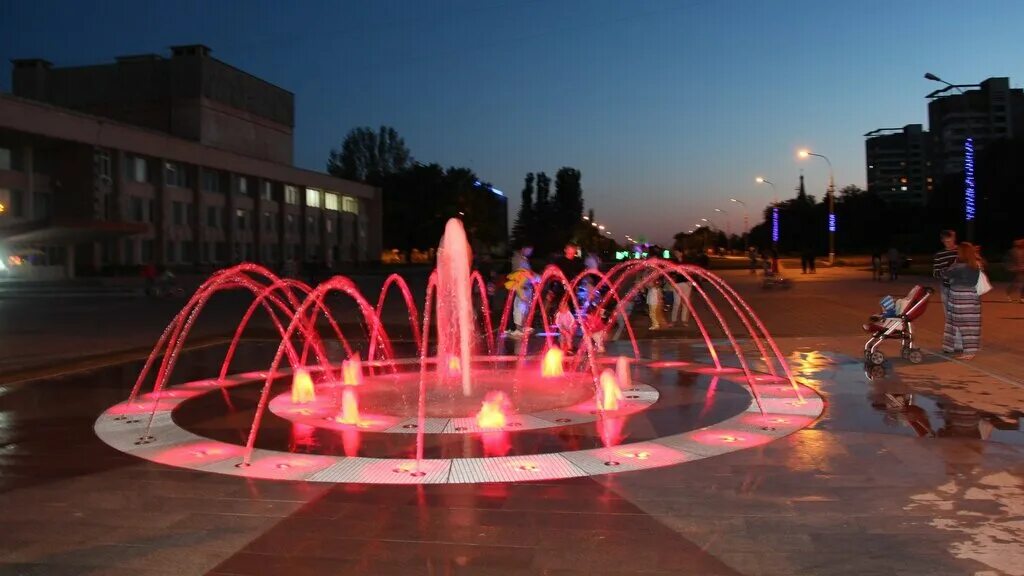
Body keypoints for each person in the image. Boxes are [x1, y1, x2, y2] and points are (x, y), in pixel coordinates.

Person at [941, 242, 983, 360]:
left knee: (954, 322)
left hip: (958, 297)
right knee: (971, 324)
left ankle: (965, 352)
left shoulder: (957, 267)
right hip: (972, 297)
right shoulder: (976, 265)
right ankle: (971, 349)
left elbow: (945, 274)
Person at [933, 230, 959, 348]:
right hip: (946, 288)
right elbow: (935, 273)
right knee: (949, 316)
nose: (949, 244)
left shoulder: (960, 252)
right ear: (942, 241)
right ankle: (952, 343)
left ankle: (960, 343)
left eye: (950, 241)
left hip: (960, 288)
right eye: (946, 242)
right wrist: (946, 271)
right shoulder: (939, 255)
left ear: (954, 238)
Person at [505, 245, 536, 337]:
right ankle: (515, 328)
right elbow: (521, 272)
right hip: (518, 285)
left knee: (523, 308)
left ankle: (521, 327)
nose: (529, 252)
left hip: (524, 286)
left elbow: (528, 272)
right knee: (518, 308)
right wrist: (531, 277)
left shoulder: (524, 259)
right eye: (528, 250)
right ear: (523, 248)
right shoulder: (517, 259)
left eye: (531, 251)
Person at [668, 252, 692, 327]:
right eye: (675, 252)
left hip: (686, 284)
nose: (676, 253)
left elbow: (691, 271)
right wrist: (672, 278)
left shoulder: (687, 261)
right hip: (677, 284)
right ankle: (673, 320)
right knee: (676, 302)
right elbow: (670, 272)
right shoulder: (674, 262)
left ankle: (684, 320)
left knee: (685, 303)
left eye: (678, 252)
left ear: (681, 253)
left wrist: (689, 280)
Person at [1006, 238, 1024, 303]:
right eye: (1021, 243)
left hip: (1022, 271)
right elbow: (1008, 261)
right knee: (1014, 285)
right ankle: (1008, 294)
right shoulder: (1012, 251)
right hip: (1015, 270)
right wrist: (1012, 268)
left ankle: (1022, 298)